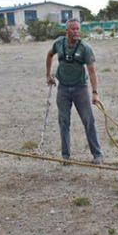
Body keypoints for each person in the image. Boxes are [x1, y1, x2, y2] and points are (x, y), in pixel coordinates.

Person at [45, 18, 103, 164]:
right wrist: (48, 75)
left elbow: (91, 72)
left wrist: (95, 92)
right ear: (67, 31)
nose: (76, 31)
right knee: (63, 122)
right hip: (63, 88)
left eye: (78, 29)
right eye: (73, 29)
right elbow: (49, 55)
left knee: (88, 121)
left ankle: (97, 155)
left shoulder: (85, 48)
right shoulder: (59, 43)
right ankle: (65, 156)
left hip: (80, 88)